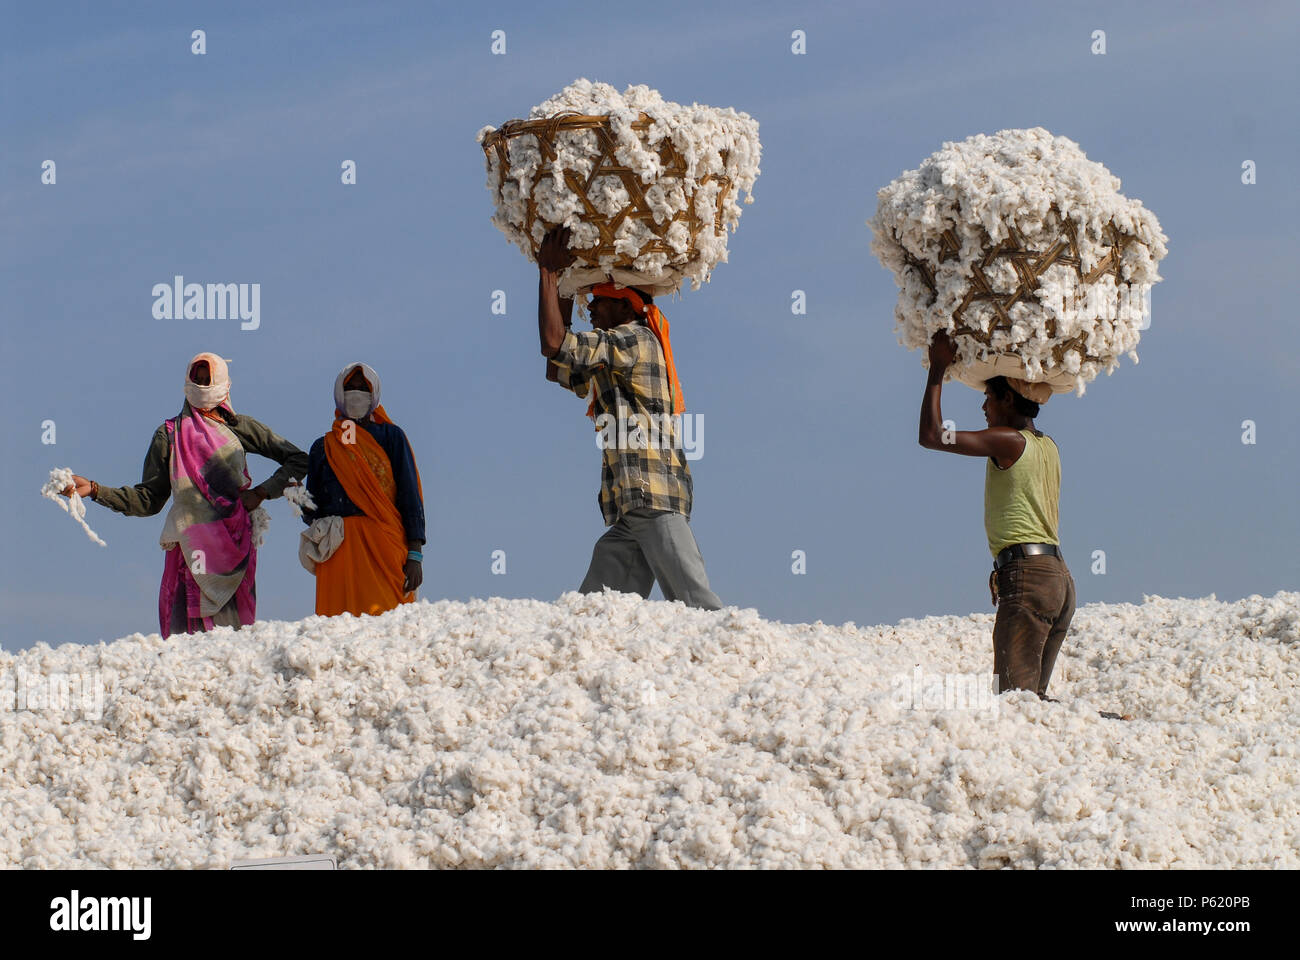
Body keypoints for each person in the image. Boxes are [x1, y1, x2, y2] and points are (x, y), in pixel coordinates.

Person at [536, 226, 722, 610]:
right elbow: (557, 367)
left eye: (598, 302)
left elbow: (554, 342)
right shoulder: (612, 352)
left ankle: (739, 658)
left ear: (625, 307)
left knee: (697, 606)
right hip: (632, 506)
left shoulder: (634, 339)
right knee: (597, 611)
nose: (592, 311)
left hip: (653, 496)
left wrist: (550, 274)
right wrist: (566, 291)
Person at [61, 352, 307, 637]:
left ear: (225, 385)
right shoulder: (169, 434)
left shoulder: (240, 427)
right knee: (186, 642)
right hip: (190, 547)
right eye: (197, 380)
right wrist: (95, 490)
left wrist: (262, 493)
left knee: (234, 641)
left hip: (234, 544)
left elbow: (298, 460)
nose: (202, 387)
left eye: (208, 380)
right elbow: (149, 499)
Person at [300, 362, 425, 617]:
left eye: (362, 388)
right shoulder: (323, 446)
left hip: (384, 544)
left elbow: (409, 494)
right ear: (338, 394)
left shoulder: (391, 436)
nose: (356, 393)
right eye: (350, 388)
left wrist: (415, 555)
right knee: (338, 630)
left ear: (374, 395)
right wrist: (299, 498)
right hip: (338, 548)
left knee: (386, 626)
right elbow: (313, 510)